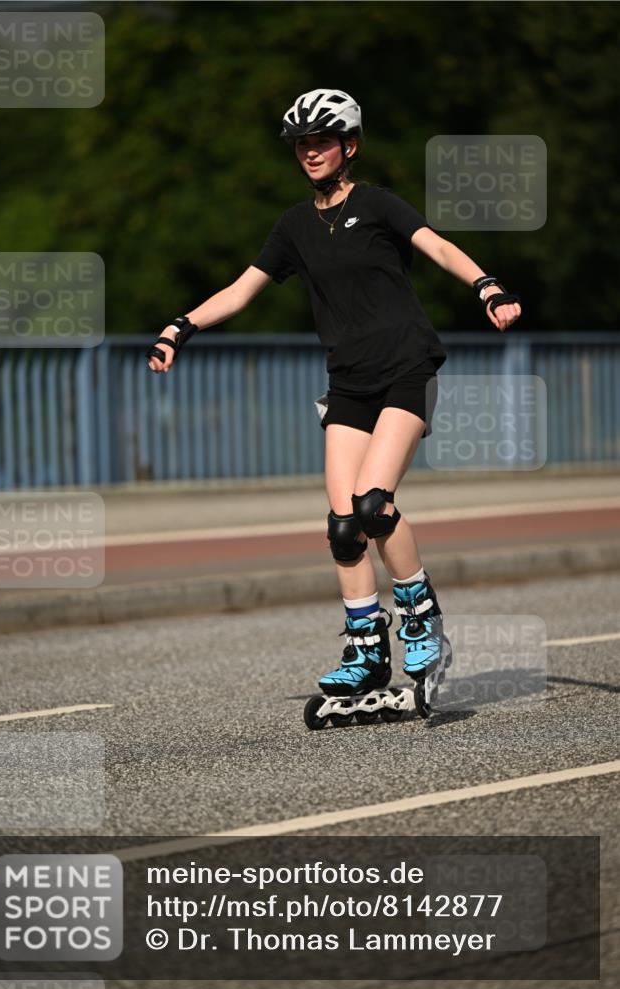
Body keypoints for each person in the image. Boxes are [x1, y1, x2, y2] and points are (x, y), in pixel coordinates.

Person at [147, 88, 521, 721]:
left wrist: (486, 285)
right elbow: (243, 290)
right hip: (349, 382)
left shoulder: (376, 203)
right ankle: (367, 651)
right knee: (343, 525)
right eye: (301, 143)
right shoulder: (294, 226)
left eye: (321, 141)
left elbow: (435, 246)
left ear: (348, 146)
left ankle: (423, 625)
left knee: (376, 506)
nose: (310, 151)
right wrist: (179, 327)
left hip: (406, 366)